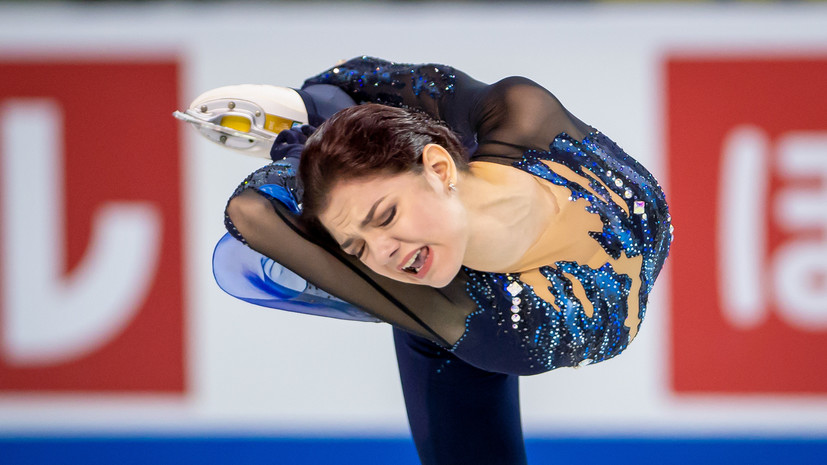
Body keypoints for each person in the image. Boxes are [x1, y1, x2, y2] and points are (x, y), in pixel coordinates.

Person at [176, 56, 673, 465]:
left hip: (478, 290)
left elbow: (404, 82)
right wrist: (315, 164)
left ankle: (322, 119)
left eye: (386, 216)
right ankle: (324, 135)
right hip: (451, 310)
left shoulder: (525, 114)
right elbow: (250, 218)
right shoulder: (473, 309)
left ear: (438, 167)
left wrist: (307, 119)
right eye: (359, 248)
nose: (383, 252)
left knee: (395, 98)